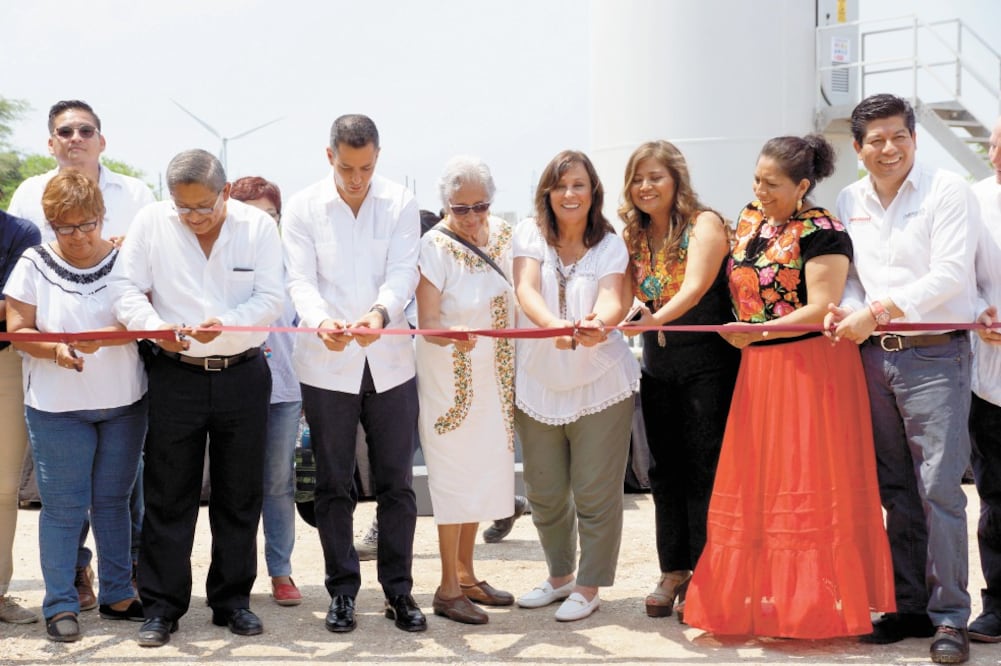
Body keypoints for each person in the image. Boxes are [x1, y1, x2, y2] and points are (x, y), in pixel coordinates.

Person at [684, 134, 896, 638]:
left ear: (802, 186)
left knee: (804, 483)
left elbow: (822, 305)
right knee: (760, 484)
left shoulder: (823, 229)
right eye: (756, 178)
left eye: (772, 183)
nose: (759, 189)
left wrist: (757, 331)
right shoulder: (750, 220)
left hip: (811, 369)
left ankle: (812, 607)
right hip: (760, 369)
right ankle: (764, 599)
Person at [109, 149, 284, 647]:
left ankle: (232, 602)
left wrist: (225, 326)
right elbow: (125, 291)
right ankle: (162, 607)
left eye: (203, 207)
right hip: (174, 373)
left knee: (239, 492)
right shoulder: (151, 222)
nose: (193, 218)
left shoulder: (257, 227)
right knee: (168, 493)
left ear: (225, 192)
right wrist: (155, 330)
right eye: (183, 209)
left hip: (243, 374)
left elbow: (271, 298)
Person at [827, 94, 978, 664]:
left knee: (939, 489)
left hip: (936, 356)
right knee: (895, 488)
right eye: (876, 140)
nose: (888, 149)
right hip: (871, 357)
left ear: (914, 138)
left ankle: (950, 618)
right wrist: (848, 307)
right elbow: (851, 277)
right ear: (858, 148)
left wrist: (878, 309)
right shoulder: (849, 197)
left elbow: (948, 274)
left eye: (899, 137)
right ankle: (909, 605)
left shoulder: (946, 191)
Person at [7, 99, 154, 610]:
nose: (77, 236)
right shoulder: (32, 262)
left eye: (86, 225)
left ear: (101, 217)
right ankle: (60, 603)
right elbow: (17, 329)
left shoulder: (125, 260)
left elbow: (144, 316)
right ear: (49, 223)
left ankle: (118, 594)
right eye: (65, 228)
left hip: (123, 402)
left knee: (114, 505)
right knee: (65, 509)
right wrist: (57, 350)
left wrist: (109, 335)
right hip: (55, 407)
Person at [282, 114, 426, 633]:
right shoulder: (301, 207)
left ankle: (399, 593)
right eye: (347, 167)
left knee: (397, 485)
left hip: (389, 359)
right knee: (333, 485)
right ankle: (342, 591)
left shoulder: (402, 202)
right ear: (329, 157)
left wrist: (381, 314)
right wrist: (321, 321)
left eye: (366, 166)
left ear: (378, 156)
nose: (357, 177)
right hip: (326, 364)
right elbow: (298, 279)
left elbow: (404, 271)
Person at [512, 150, 639, 622]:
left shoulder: (611, 242)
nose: (570, 194)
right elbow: (525, 288)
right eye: (561, 185)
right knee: (544, 490)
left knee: (594, 490)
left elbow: (612, 298)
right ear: (548, 191)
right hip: (538, 380)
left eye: (579, 185)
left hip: (601, 381)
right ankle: (559, 576)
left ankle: (589, 585)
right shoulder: (529, 233)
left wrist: (594, 325)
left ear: (593, 192)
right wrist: (554, 327)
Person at [618, 140, 740, 618]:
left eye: (656, 177)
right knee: (662, 472)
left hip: (708, 367)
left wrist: (652, 321)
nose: (646, 186)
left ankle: (708, 574)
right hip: (658, 368)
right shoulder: (634, 234)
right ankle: (674, 570)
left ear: (677, 180)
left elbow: (693, 289)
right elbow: (629, 292)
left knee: (705, 470)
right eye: (638, 178)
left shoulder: (704, 223)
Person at [416, 156, 516, 625]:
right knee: (454, 477)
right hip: (450, 381)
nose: (473, 217)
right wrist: (450, 332)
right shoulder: (433, 247)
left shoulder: (504, 235)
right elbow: (427, 323)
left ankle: (468, 573)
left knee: (481, 473)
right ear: (445, 206)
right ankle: (446, 587)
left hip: (494, 379)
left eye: (480, 206)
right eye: (461, 209)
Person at [228, 176, 302, 606]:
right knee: (233, 485)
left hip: (284, 389)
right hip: (233, 384)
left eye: (270, 216)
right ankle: (235, 576)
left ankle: (281, 570)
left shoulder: (295, 264)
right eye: (252, 215)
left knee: (277, 483)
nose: (262, 224)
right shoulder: (225, 261)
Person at [966, 115, 1001, 643]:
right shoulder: (972, 200)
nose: (998, 155)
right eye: (997, 145)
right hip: (989, 379)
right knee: (996, 496)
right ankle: (998, 602)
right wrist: (979, 312)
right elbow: (956, 273)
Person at [0, 207, 40, 626]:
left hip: (5, 367)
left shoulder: (19, 232)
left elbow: (13, 307)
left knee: (4, 486)